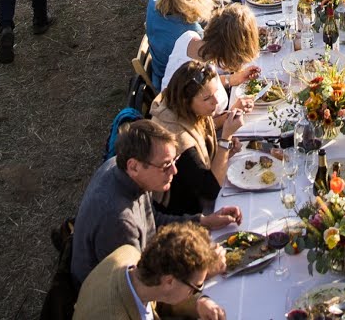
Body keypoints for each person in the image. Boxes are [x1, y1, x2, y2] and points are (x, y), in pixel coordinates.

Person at [71, 118, 240, 286]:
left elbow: (152, 221)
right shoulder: (118, 220)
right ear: (134, 166)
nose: (174, 170)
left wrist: (203, 221)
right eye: (166, 165)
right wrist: (202, 272)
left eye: (175, 160)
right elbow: (139, 288)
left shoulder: (122, 169)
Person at [151, 60, 248, 217]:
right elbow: (209, 190)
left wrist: (226, 149)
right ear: (186, 101)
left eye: (215, 93)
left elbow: (201, 162)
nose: (215, 102)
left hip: (196, 195)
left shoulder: (185, 111)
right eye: (207, 98)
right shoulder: (176, 136)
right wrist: (225, 139)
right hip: (185, 214)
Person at [75, 222, 226, 320]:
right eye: (195, 288)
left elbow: (158, 298)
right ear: (170, 281)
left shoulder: (131, 256)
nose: (194, 292)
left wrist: (199, 303)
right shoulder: (109, 316)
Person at [147, 0, 216, 87]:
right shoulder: (193, 35)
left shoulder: (153, 2)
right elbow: (208, 74)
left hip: (157, 73)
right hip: (178, 87)